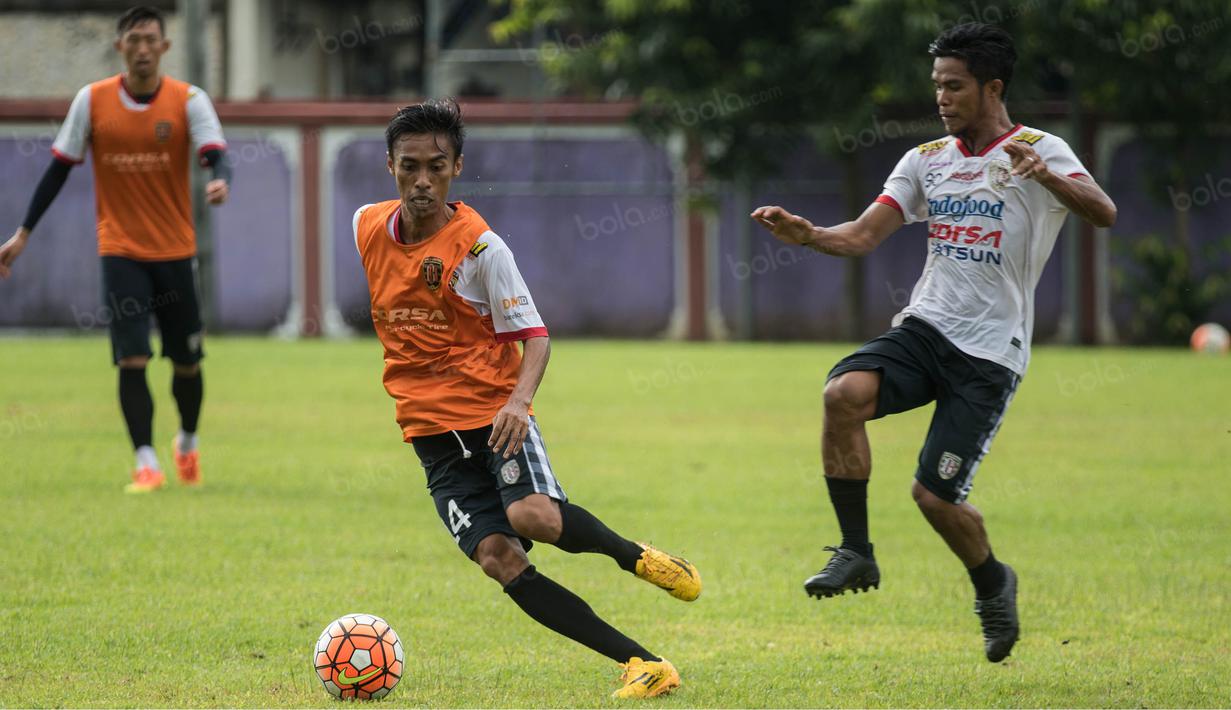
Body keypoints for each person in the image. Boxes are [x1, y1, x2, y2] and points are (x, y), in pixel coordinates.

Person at [751, 22, 1116, 662]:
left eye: (955, 86)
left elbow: (1103, 211)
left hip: (990, 353)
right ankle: (855, 551)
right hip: (926, 327)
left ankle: (992, 581)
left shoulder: (1041, 149)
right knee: (842, 394)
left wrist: (1047, 178)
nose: (941, 98)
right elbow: (863, 235)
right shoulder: (926, 159)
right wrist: (809, 235)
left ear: (992, 87)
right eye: (937, 85)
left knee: (934, 498)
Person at [353, 99, 701, 699]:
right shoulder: (366, 225)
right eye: (409, 166)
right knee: (499, 557)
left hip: (495, 417)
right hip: (430, 436)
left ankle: (637, 558)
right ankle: (645, 664)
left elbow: (535, 336)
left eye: (436, 166)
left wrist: (518, 402)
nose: (422, 181)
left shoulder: (482, 250)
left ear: (457, 167)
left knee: (531, 516)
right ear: (390, 166)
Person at [0, 6, 231, 493]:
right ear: (119, 47)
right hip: (120, 249)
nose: (142, 49)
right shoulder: (92, 100)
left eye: (150, 40)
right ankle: (146, 462)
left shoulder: (189, 100)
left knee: (187, 362)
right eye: (133, 40)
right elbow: (58, 169)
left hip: (175, 252)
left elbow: (216, 154)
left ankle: (187, 443)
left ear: (164, 47)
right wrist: (23, 233)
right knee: (131, 358)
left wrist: (219, 179)